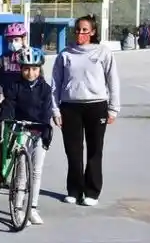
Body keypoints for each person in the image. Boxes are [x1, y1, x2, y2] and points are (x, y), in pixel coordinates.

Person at [51, 15, 121, 207]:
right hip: (70, 107)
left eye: (84, 30)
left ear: (92, 32)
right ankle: (74, 190)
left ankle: (91, 192)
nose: (80, 33)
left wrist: (113, 108)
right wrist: (55, 110)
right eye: (78, 30)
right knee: (73, 151)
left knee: (94, 150)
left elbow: (112, 81)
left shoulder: (103, 53)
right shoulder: (65, 54)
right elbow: (56, 84)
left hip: (96, 106)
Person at [0, 47, 52, 226]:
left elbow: (46, 111)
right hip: (21, 130)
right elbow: (9, 105)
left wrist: (44, 129)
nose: (31, 73)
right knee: (22, 171)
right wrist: (6, 119)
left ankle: (33, 208)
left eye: (35, 69)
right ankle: (18, 208)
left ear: (40, 69)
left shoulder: (45, 89)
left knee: (36, 172)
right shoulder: (15, 86)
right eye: (27, 69)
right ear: (21, 69)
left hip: (39, 131)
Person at [0, 23, 31, 104]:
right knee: (4, 117)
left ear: (23, 40)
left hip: (27, 99)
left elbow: (39, 79)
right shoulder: (3, 58)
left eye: (16, 40)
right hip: (8, 99)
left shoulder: (31, 57)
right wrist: (0, 94)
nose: (13, 43)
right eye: (10, 40)